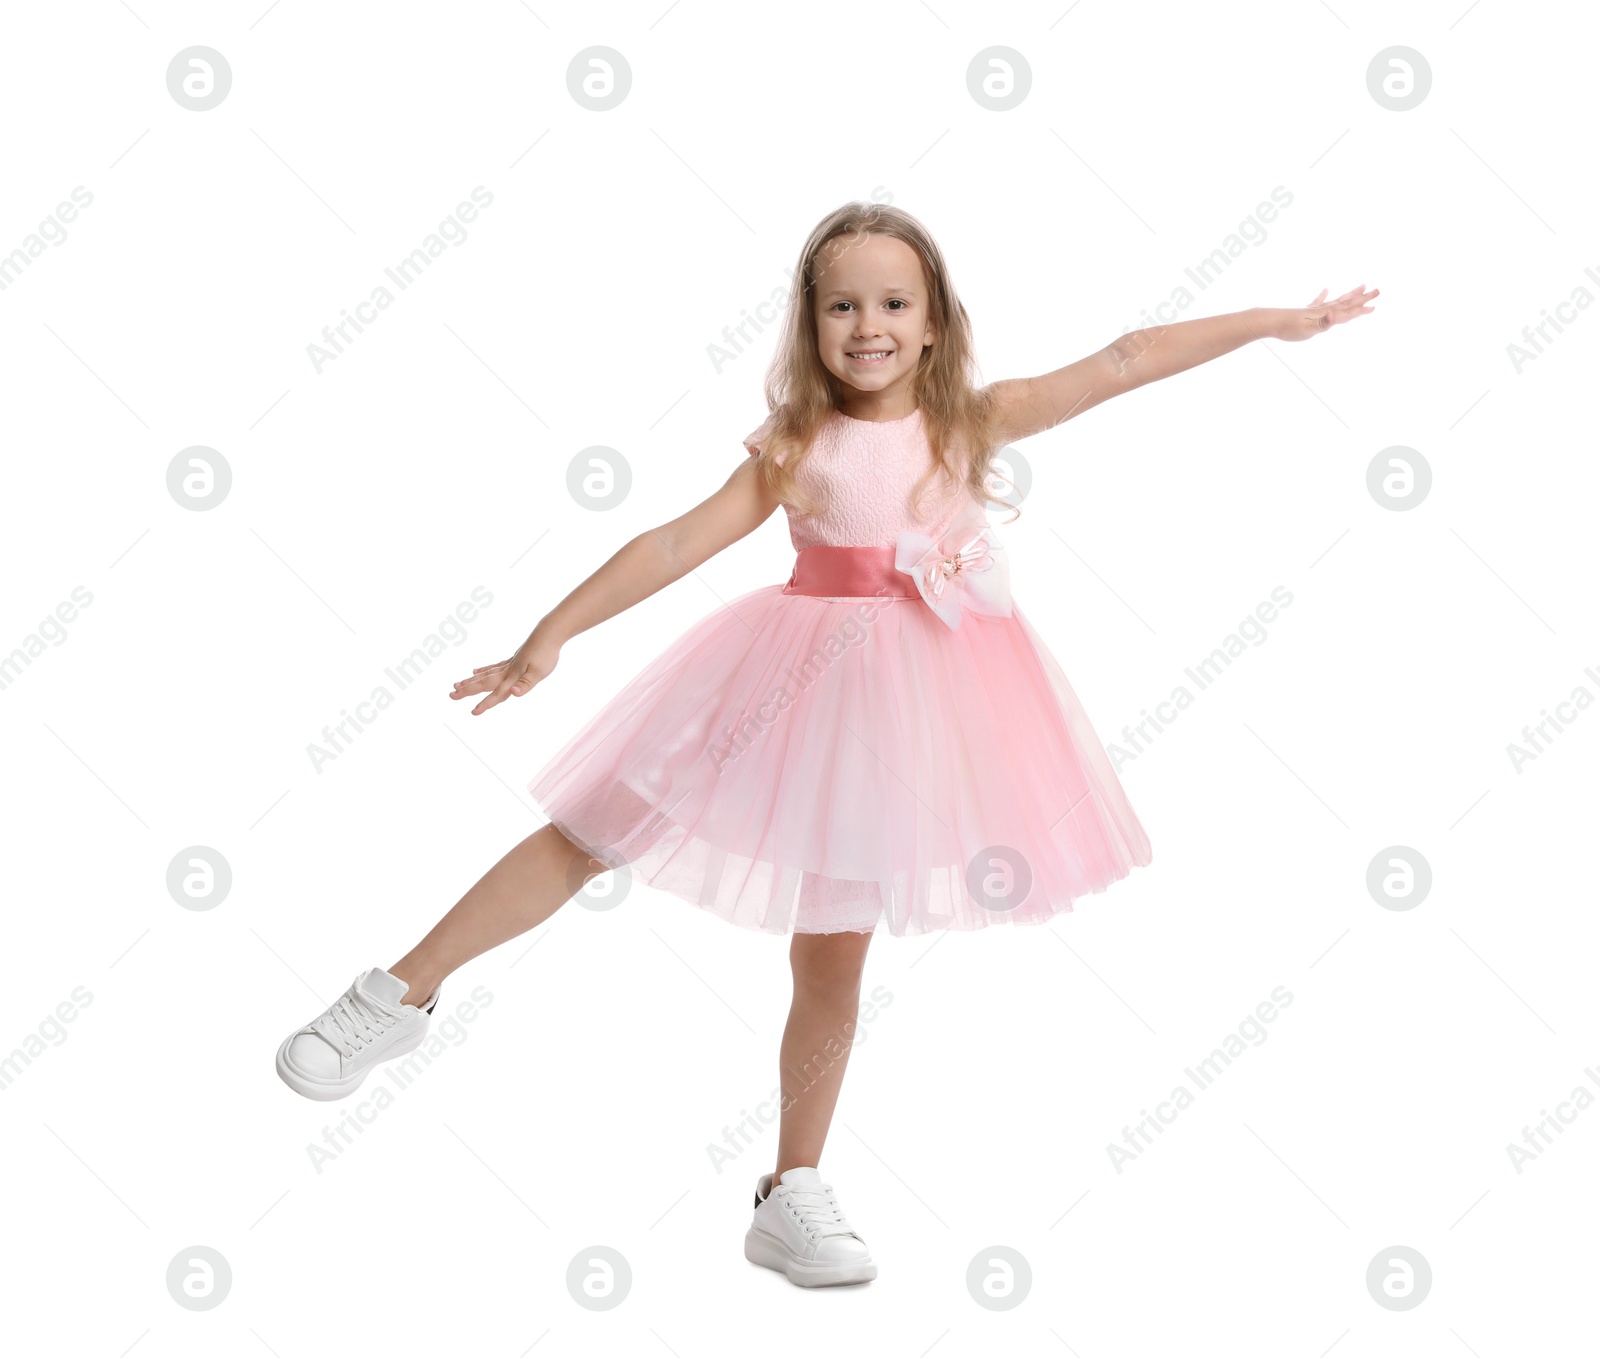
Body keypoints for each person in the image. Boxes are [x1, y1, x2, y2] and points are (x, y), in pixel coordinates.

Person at [275, 201, 1377, 1287]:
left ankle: (788, 1190)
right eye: (841, 304)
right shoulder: (797, 439)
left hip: (914, 703)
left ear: (935, 318)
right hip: (780, 678)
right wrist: (550, 632)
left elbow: (1128, 356)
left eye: (894, 301)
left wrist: (1279, 320)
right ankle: (397, 991)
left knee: (833, 945)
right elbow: (673, 539)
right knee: (589, 828)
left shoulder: (969, 420)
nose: (868, 325)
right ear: (809, 324)